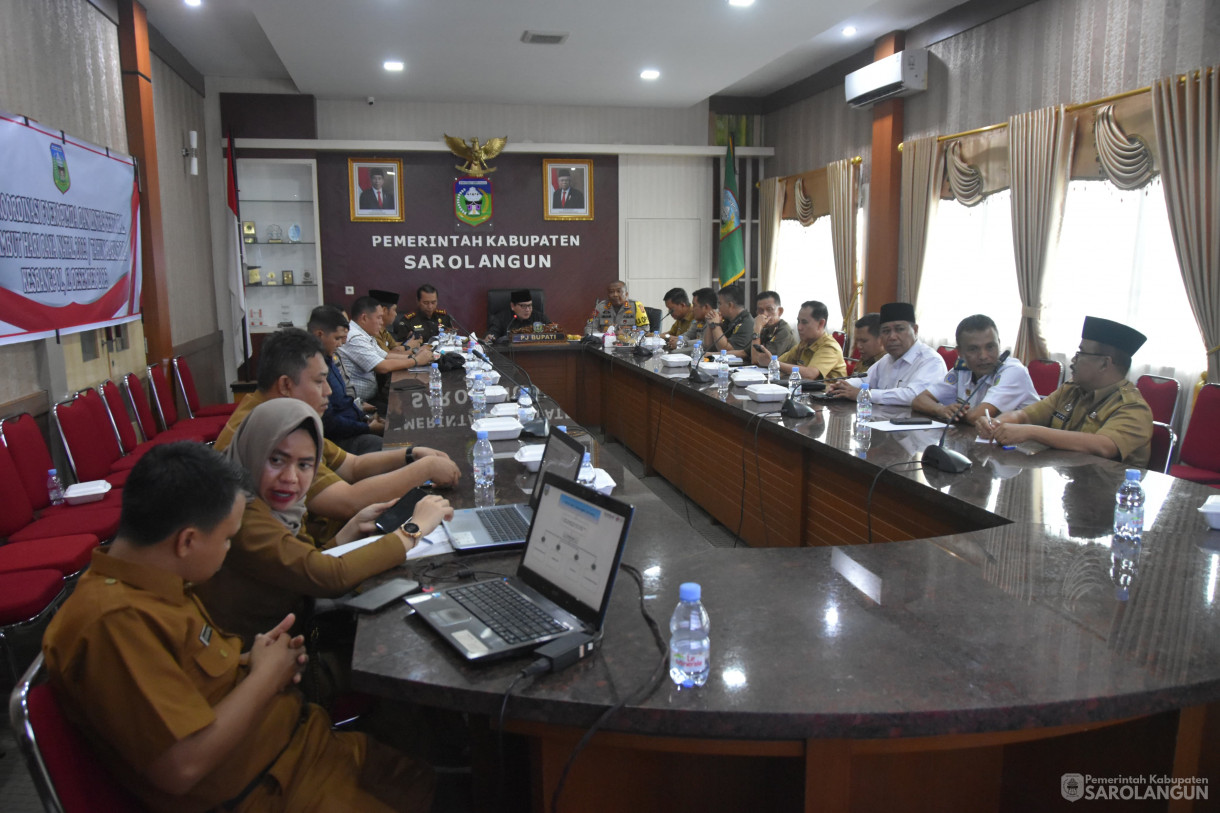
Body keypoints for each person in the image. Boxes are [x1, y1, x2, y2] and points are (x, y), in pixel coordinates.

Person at [42, 442, 435, 813]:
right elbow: (182, 766)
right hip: (272, 790)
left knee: (437, 768)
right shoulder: (114, 622)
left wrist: (256, 660)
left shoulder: (155, 580)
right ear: (187, 541)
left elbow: (192, 679)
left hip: (301, 746)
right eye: (228, 540)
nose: (230, 550)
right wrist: (264, 676)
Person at [197, 399, 453, 644]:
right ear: (252, 451)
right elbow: (327, 577)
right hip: (261, 656)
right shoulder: (243, 514)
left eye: (305, 465)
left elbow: (300, 566)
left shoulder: (279, 507)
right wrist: (412, 530)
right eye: (276, 460)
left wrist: (350, 529)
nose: (291, 477)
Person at [215, 328, 459, 527]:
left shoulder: (284, 414)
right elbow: (347, 502)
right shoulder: (269, 431)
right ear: (286, 385)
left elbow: (351, 466)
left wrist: (413, 453)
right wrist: (425, 468)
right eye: (319, 382)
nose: (328, 391)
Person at [976, 316, 1153, 466]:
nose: (1073, 360)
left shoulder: (1133, 408)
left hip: (1111, 494)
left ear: (1104, 363)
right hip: (1070, 480)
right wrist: (997, 423)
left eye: (1081, 354)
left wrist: (1030, 431)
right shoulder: (1072, 390)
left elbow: (1103, 446)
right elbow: (1025, 416)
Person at [912, 314, 1040, 424]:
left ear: (999, 344)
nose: (983, 356)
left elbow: (977, 417)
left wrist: (952, 413)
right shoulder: (962, 370)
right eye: (973, 349)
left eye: (990, 347)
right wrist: (941, 410)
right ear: (960, 353)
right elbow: (919, 400)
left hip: (1026, 448)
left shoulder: (1013, 371)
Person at [825, 302, 944, 405]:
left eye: (899, 329)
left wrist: (864, 394)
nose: (892, 337)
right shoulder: (887, 359)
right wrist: (843, 385)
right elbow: (864, 381)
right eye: (886, 331)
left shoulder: (931, 361)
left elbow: (913, 395)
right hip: (885, 423)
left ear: (915, 330)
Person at [309, 305, 383, 454]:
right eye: (337, 338)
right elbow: (329, 422)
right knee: (387, 446)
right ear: (319, 335)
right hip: (338, 439)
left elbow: (344, 402)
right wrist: (368, 427)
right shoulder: (312, 367)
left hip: (354, 423)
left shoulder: (330, 358)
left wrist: (366, 418)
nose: (341, 343)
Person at [338, 295, 434, 410]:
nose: (381, 321)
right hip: (359, 404)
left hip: (370, 397)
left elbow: (386, 355)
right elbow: (382, 366)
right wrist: (416, 361)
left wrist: (415, 355)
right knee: (406, 408)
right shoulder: (355, 337)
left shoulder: (364, 334)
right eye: (378, 317)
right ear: (364, 318)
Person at [750, 300, 845, 380]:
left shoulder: (830, 347)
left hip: (829, 399)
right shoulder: (804, 343)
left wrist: (773, 363)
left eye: (804, 322)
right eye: (798, 321)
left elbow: (811, 373)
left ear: (821, 323)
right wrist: (769, 361)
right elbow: (780, 362)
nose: (799, 327)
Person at [702, 282, 756, 359]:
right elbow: (708, 345)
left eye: (720, 304)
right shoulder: (728, 319)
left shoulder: (746, 323)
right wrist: (710, 323)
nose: (718, 308)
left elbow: (726, 350)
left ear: (730, 305)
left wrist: (715, 326)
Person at [583, 279, 650, 336]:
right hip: (605, 343)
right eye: (611, 292)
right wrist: (604, 336)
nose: (615, 295)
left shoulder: (636, 306)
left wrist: (626, 333)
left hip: (629, 344)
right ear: (608, 295)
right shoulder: (600, 306)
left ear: (626, 294)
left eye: (619, 291)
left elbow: (645, 329)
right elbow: (589, 329)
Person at [669, 287, 716, 352]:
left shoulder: (716, 320)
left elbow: (704, 344)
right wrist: (678, 340)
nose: (692, 309)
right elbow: (688, 335)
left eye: (694, 305)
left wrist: (683, 343)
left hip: (706, 356)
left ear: (706, 307)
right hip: (697, 352)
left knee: (674, 353)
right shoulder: (699, 320)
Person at [753, 290, 797, 358]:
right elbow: (745, 352)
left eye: (769, 309)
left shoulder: (784, 331)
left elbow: (757, 359)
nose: (764, 314)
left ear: (780, 311)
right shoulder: (766, 328)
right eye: (760, 310)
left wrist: (756, 329)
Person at [368, 289, 409, 353]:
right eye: (394, 310)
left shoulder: (384, 330)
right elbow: (386, 356)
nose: (396, 314)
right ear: (384, 310)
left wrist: (408, 341)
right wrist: (408, 346)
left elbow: (394, 347)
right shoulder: (373, 331)